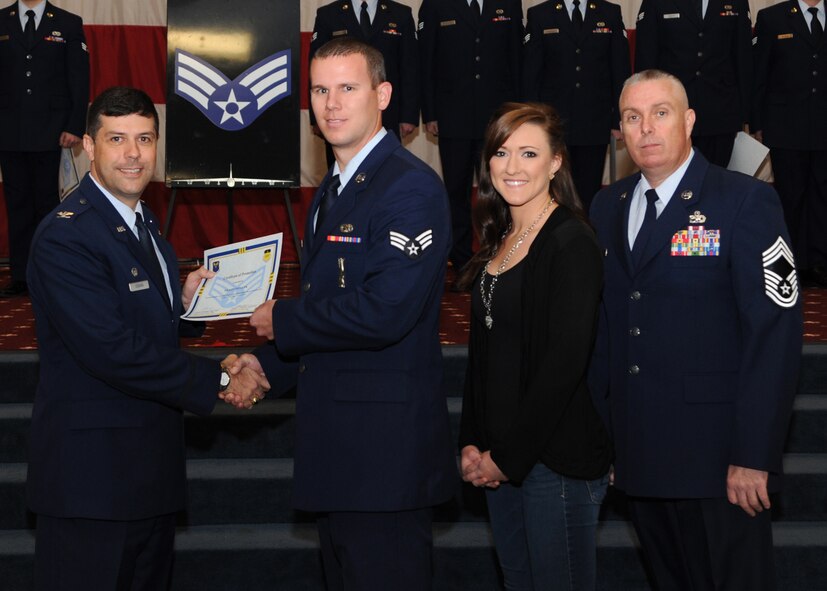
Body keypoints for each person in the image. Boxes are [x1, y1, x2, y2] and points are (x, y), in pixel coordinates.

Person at [224, 38, 457, 590]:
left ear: (383, 95)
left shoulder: (410, 187)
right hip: (340, 453)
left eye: (347, 88)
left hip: (384, 459)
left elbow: (385, 313)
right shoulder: (333, 188)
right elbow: (332, 315)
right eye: (320, 90)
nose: (331, 104)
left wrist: (282, 321)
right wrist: (265, 366)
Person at [25, 86, 269, 591]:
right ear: (90, 147)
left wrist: (185, 304)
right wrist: (218, 376)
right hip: (90, 486)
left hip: (148, 476)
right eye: (117, 139)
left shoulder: (144, 223)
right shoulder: (66, 235)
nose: (133, 154)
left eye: (145, 138)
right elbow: (110, 349)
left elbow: (134, 316)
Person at [589, 70, 802, 589]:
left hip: (719, 461)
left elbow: (773, 334)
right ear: (620, 129)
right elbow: (605, 331)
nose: (646, 129)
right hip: (640, 453)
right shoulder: (606, 206)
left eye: (660, 114)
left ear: (688, 121)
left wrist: (753, 455)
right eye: (632, 118)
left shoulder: (744, 201)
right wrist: (606, 444)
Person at [457, 102, 612, 590]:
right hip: (501, 460)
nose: (512, 167)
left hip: (555, 463)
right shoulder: (500, 238)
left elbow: (564, 365)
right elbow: (481, 357)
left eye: (529, 153)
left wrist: (508, 457)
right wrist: (471, 441)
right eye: (501, 153)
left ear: (556, 162)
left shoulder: (570, 241)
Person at [418, 0, 524, 276]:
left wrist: (517, 114)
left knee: (500, 191)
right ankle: (463, 263)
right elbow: (426, 61)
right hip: (453, 116)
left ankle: (500, 257)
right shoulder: (434, 6)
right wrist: (430, 112)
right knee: (456, 192)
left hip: (497, 118)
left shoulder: (507, 4)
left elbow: (516, 59)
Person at [0, 0, 89, 297]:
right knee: (18, 206)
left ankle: (50, 272)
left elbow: (78, 77)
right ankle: (22, 276)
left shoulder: (68, 22)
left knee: (49, 207)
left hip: (53, 132)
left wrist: (75, 125)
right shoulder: (2, 20)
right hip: (9, 131)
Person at [522, 0, 630, 212]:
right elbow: (531, 75)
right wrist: (531, 122)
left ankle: (587, 239)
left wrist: (619, 117)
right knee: (553, 193)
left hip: (594, 120)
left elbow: (620, 70)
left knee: (589, 192)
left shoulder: (610, 12)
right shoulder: (540, 14)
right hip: (553, 126)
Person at [753, 0, 827, 287]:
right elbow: (760, 72)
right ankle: (792, 263)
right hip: (785, 125)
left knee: (823, 197)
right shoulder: (772, 17)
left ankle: (820, 262)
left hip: (823, 125)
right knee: (790, 198)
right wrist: (757, 122)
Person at [633, 0, 752, 168]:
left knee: (716, 179)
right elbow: (646, 59)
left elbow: (743, 58)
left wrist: (746, 113)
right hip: (672, 110)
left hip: (721, 110)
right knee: (672, 177)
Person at [309, 0, 419, 143]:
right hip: (340, 115)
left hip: (387, 112)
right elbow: (315, 70)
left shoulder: (400, 14)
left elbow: (409, 68)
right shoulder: (328, 14)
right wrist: (316, 118)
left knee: (386, 163)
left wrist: (408, 115)